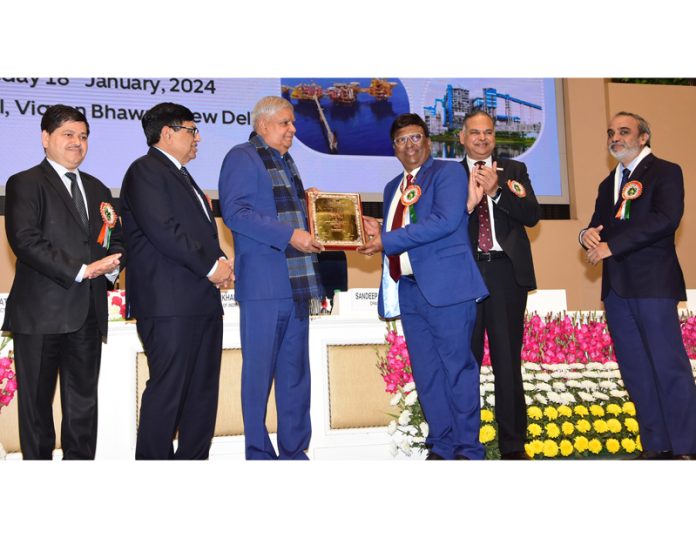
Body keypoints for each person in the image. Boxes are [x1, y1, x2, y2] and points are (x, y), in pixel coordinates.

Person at [359, 113, 488, 460]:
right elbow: (399, 229)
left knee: (457, 369)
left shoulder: (447, 173)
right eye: (402, 140)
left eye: (416, 137)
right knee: (427, 373)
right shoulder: (392, 189)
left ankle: (468, 449)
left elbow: (443, 221)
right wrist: (374, 230)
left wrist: (386, 239)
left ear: (428, 142)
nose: (409, 145)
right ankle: (442, 445)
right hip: (410, 291)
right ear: (394, 148)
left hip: (447, 290)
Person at [3, 104, 124, 459]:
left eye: (83, 136)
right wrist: (82, 269)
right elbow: (24, 240)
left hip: (87, 313)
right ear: (45, 138)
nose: (77, 143)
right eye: (68, 135)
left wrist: (111, 266)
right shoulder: (24, 182)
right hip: (41, 315)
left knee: (83, 407)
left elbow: (115, 239)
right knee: (37, 409)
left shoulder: (98, 187)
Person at [120, 102, 233, 460]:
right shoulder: (145, 171)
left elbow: (197, 234)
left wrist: (221, 263)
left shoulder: (182, 175)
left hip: (200, 302)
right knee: (168, 393)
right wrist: (210, 266)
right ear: (167, 133)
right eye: (191, 129)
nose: (198, 136)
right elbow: (164, 231)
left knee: (201, 396)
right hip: (168, 305)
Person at [580, 111, 696, 460]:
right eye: (611, 133)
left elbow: (666, 219)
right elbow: (599, 225)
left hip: (653, 284)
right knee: (636, 370)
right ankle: (657, 445)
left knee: (667, 365)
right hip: (616, 288)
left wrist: (611, 247)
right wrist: (585, 234)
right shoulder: (607, 183)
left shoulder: (666, 171)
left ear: (643, 137)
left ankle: (687, 447)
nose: (615, 138)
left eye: (624, 132)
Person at [218, 96, 324, 460]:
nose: (293, 129)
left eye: (292, 123)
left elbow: (282, 211)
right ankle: (259, 453)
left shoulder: (286, 162)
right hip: (264, 287)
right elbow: (236, 213)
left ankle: (294, 452)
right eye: (285, 123)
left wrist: (308, 206)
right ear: (263, 125)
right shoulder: (242, 156)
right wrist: (289, 235)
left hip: (296, 286)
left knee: (295, 377)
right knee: (258, 377)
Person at [459, 110, 540, 459]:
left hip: (506, 274)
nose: (481, 138)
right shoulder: (447, 174)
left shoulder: (514, 171)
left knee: (507, 362)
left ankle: (513, 446)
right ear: (461, 137)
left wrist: (496, 194)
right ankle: (465, 442)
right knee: (466, 362)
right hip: (464, 275)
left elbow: (532, 215)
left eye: (488, 132)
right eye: (474, 132)